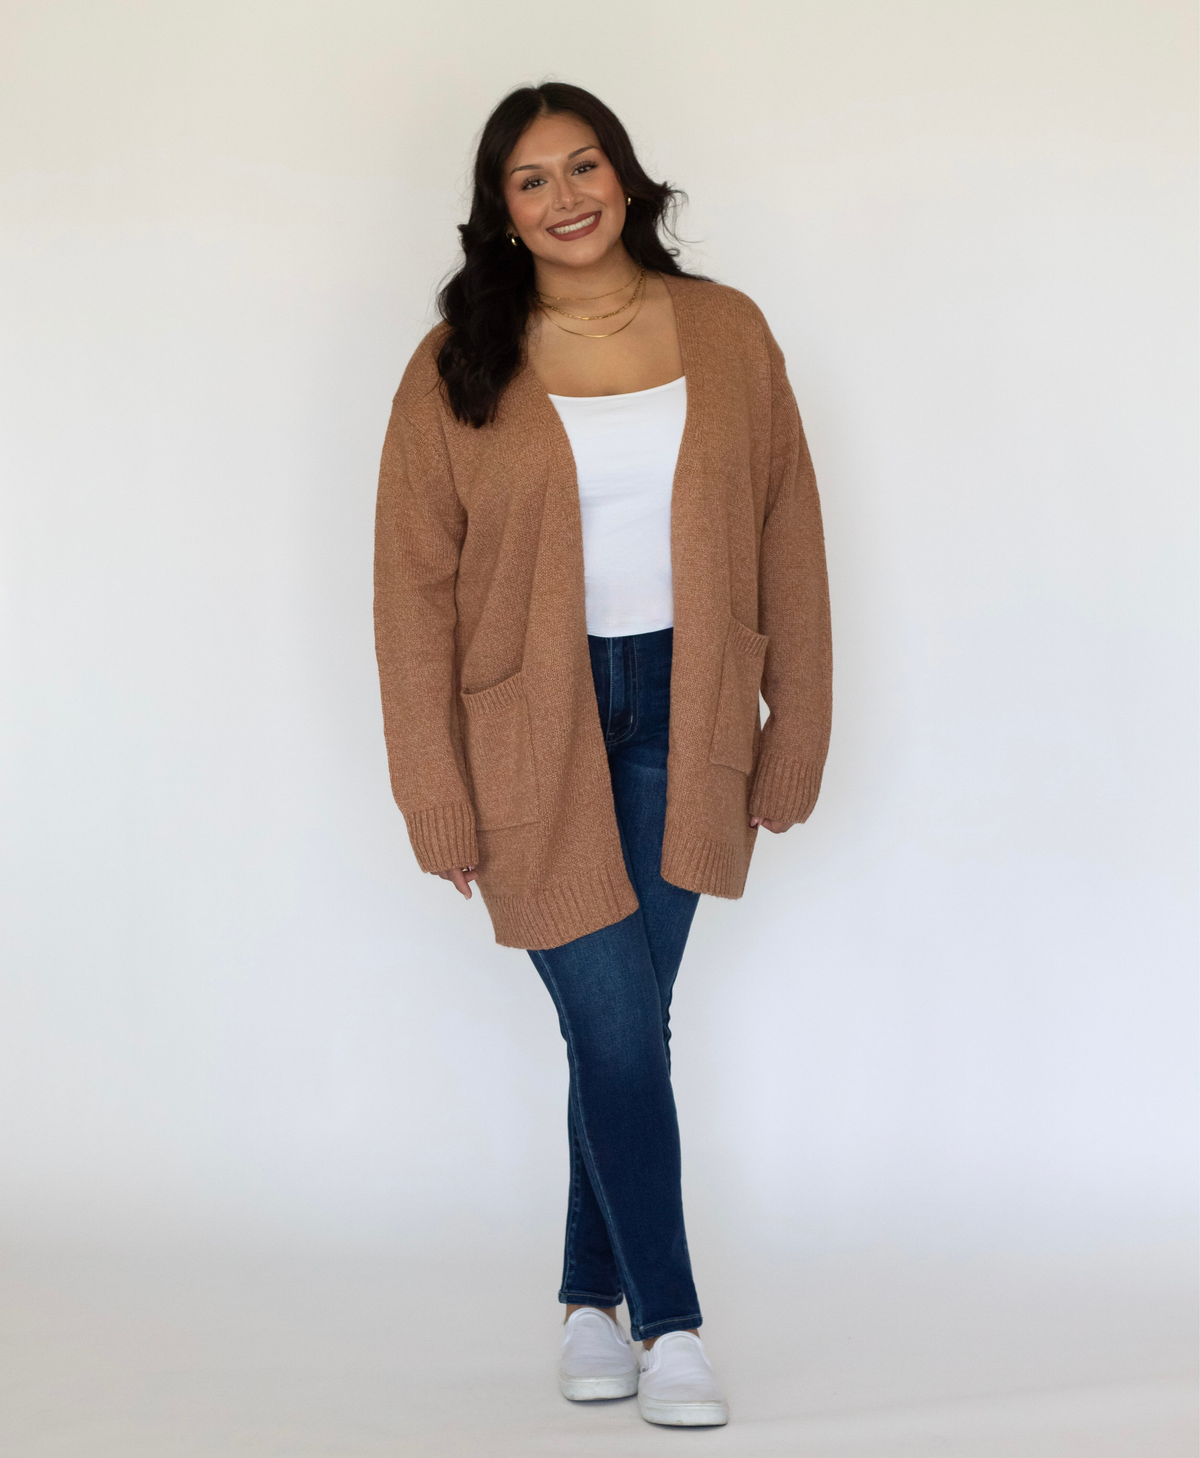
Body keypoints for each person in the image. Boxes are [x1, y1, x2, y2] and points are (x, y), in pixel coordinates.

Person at [374, 81, 831, 1429]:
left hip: (687, 712)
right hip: (530, 724)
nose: (566, 194)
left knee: (619, 1027)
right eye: (532, 179)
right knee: (621, 1026)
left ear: (626, 178)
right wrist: (434, 789)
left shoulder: (728, 333)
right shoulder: (459, 358)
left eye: (585, 165)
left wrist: (789, 727)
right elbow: (411, 589)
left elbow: (788, 532)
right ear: (501, 212)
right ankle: (672, 1322)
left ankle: (588, 1298)